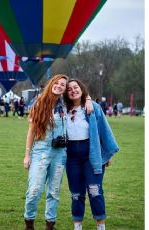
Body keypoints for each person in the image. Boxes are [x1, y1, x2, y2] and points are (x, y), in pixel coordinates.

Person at [23, 74, 93, 230]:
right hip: (40, 150)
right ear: (52, 83)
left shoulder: (65, 104)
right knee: (34, 189)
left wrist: (88, 99)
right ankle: (29, 223)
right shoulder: (39, 103)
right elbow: (31, 132)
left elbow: (79, 94)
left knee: (54, 191)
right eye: (58, 83)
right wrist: (27, 155)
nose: (60, 86)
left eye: (63, 85)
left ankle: (50, 224)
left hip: (60, 153)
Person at [64, 79, 119, 230]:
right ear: (66, 94)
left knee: (94, 190)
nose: (73, 90)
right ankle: (77, 224)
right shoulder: (63, 109)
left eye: (76, 87)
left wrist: (106, 155)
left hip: (91, 153)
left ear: (81, 89)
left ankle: (100, 224)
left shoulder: (93, 107)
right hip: (72, 156)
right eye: (69, 89)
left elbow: (104, 130)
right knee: (76, 192)